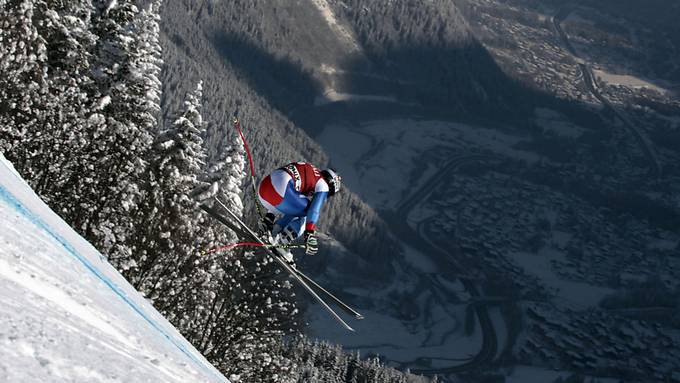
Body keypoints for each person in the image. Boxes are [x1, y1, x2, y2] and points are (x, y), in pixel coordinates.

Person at [257, 162, 341, 256]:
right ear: (331, 185)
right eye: (328, 194)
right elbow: (314, 210)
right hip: (282, 191)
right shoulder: (323, 184)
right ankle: (283, 241)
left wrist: (270, 215)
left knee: (297, 207)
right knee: (307, 211)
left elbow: (279, 182)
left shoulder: (311, 170)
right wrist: (309, 232)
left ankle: (271, 226)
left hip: (263, 190)